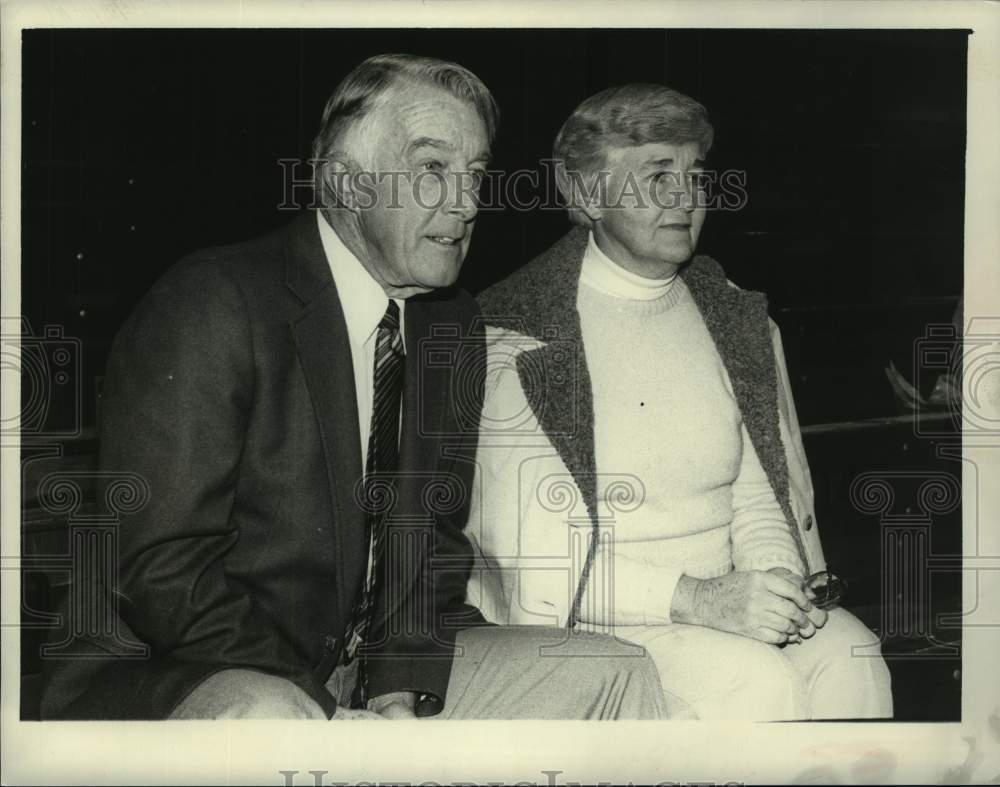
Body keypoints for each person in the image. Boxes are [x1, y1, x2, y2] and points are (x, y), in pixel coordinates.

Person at [38, 56, 667, 721]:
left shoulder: (448, 323)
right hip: (195, 671)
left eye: (475, 173)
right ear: (345, 182)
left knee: (613, 674)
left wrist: (398, 685)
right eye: (432, 170)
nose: (466, 201)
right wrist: (333, 714)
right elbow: (163, 570)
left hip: (363, 667)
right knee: (273, 719)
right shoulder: (213, 301)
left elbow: (431, 544)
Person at [466, 83, 893, 720]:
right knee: (753, 681)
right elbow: (535, 564)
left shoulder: (729, 313)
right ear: (586, 195)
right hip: (586, 620)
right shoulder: (512, 335)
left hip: (720, 598)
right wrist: (701, 600)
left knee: (849, 655)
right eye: (656, 176)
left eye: (695, 175)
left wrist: (775, 588)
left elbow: (755, 491)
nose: (686, 198)